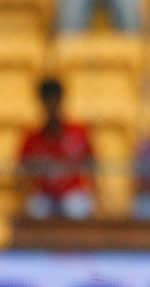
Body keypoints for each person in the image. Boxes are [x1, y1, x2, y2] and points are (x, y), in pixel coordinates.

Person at [17, 78, 95, 220]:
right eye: (48, 101)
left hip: (72, 192)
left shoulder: (78, 132)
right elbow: (22, 168)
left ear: (62, 101)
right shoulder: (32, 137)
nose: (52, 106)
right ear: (41, 103)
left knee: (77, 208)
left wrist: (70, 167)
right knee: (36, 209)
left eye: (55, 100)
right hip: (44, 194)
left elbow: (92, 164)